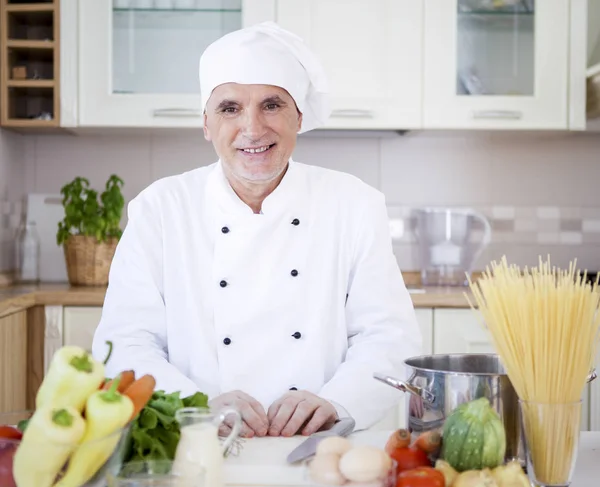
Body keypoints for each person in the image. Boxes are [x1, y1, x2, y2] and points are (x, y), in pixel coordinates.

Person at [91, 21, 421, 438]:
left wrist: (337, 403)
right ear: (206, 124)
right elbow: (125, 343)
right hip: (200, 443)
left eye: (272, 104)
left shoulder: (354, 205)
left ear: (298, 117)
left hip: (320, 446)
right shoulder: (160, 209)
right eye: (230, 108)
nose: (252, 128)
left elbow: (389, 338)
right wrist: (195, 408)